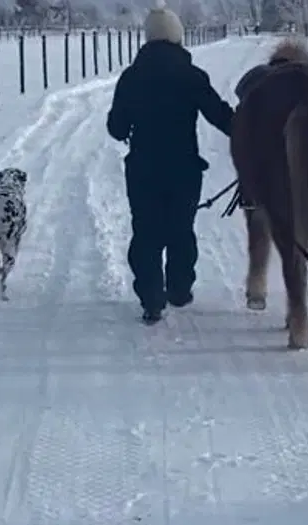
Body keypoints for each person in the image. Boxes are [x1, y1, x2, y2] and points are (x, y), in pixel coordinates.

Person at [106, 6, 235, 324]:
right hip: (184, 169)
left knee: (146, 232)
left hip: (143, 169)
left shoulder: (131, 77)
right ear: (178, 37)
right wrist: (253, 127)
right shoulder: (192, 76)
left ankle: (151, 299)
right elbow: (220, 116)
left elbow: (117, 128)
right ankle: (179, 290)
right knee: (181, 229)